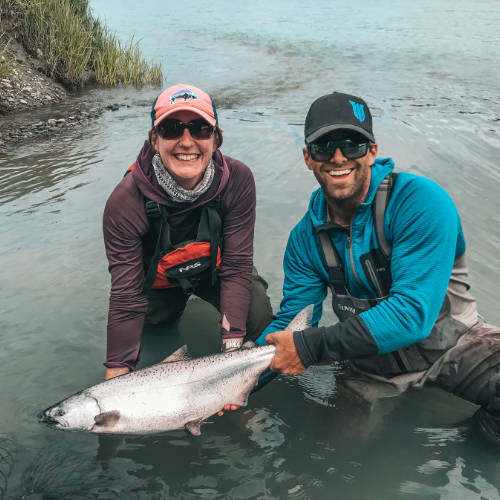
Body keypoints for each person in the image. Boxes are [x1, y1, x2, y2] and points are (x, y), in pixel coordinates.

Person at [255, 91, 500, 445]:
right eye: (324, 146)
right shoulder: (303, 239)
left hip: (455, 346)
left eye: (352, 143)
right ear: (308, 158)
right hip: (367, 370)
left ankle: (469, 447)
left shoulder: (420, 202)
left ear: (372, 150)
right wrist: (232, 382)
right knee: (337, 458)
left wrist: (309, 349)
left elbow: (413, 314)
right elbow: (294, 322)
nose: (338, 157)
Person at [103, 83, 273, 388]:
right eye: (171, 129)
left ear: (216, 138)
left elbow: (236, 266)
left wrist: (232, 351)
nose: (186, 141)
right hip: (157, 284)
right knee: (151, 335)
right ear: (154, 140)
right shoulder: (125, 202)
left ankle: (247, 394)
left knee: (256, 312)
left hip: (217, 270)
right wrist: (116, 374)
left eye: (199, 129)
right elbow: (126, 298)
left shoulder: (239, 180)